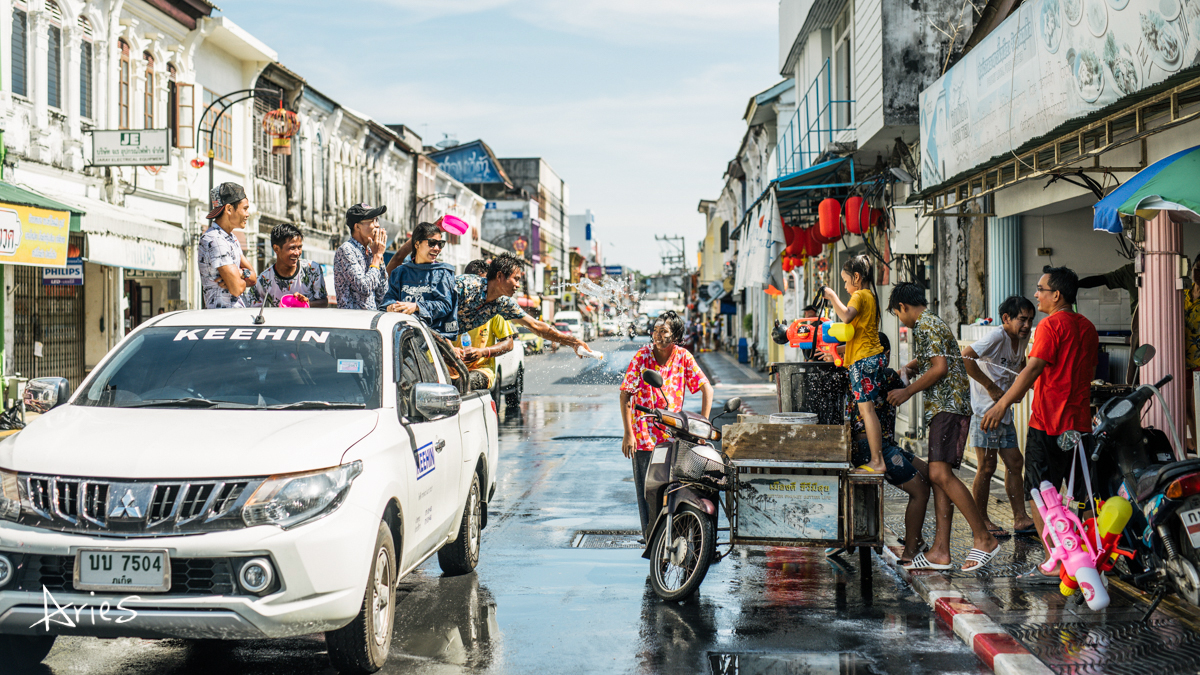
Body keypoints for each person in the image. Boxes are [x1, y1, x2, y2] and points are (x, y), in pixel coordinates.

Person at [982, 266, 1099, 582]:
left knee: (1039, 493)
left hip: (1048, 423)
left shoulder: (1050, 326)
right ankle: (1092, 560)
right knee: (1083, 497)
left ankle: (1052, 563)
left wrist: (1002, 404)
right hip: (1081, 424)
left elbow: (1032, 370)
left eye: (1040, 289)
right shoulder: (1087, 327)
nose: (1036, 294)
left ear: (1056, 295)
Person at [886, 282, 1000, 571]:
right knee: (939, 477)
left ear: (903, 307)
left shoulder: (925, 325)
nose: (901, 320)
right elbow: (936, 358)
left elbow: (940, 368)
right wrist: (912, 367)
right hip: (945, 408)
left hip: (948, 407)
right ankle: (940, 551)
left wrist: (906, 391)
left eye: (898, 314)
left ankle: (983, 537)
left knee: (938, 473)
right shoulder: (932, 322)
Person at [390, 234, 592, 353]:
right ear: (501, 276)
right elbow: (431, 314)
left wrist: (573, 342)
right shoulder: (464, 286)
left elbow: (537, 326)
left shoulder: (503, 303)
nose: (518, 285)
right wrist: (450, 348)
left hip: (435, 347)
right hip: (410, 337)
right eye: (516, 279)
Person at [619, 311, 714, 533]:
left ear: (676, 336)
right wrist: (628, 433)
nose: (658, 336)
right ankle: (650, 539)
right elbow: (625, 394)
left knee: (674, 489)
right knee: (646, 493)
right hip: (643, 439)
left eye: (664, 332)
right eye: (655, 331)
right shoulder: (642, 356)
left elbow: (706, 388)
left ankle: (673, 534)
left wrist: (703, 426)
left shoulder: (683, 357)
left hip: (673, 437)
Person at [845, 334, 931, 564]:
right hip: (875, 448)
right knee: (921, 490)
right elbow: (906, 376)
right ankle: (911, 551)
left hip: (875, 446)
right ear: (882, 355)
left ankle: (917, 538)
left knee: (929, 474)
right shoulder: (885, 375)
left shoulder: (855, 371)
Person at [962, 296, 1037, 537]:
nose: (1026, 325)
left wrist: (1025, 385)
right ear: (1006, 319)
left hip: (1003, 412)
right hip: (985, 412)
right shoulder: (997, 336)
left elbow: (1021, 363)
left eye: (1030, 320)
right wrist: (992, 388)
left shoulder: (1022, 337)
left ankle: (1020, 518)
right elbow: (967, 356)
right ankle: (981, 521)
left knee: (1015, 463)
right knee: (986, 466)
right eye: (1022, 319)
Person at [822, 255, 886, 474]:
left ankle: (877, 461)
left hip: (864, 361)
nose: (846, 287)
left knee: (867, 411)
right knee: (868, 411)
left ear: (857, 277)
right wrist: (836, 351)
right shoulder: (869, 297)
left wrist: (832, 296)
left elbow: (846, 317)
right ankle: (877, 459)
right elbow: (858, 336)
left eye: (846, 282)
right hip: (870, 357)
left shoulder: (859, 295)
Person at [382, 222, 459, 338]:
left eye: (440, 244)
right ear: (417, 244)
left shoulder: (442, 273)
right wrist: (390, 306)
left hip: (433, 339)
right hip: (403, 337)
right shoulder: (400, 273)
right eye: (432, 243)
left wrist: (417, 307)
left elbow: (445, 305)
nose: (437, 248)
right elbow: (386, 300)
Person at [457, 259, 516, 390]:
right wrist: (450, 350)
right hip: (449, 369)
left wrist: (483, 352)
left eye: (485, 283)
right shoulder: (452, 303)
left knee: (462, 384)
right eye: (476, 284)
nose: (481, 289)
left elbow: (509, 343)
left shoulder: (495, 307)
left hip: (481, 370)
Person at [198, 182, 257, 308]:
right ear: (229, 209)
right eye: (245, 208)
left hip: (234, 317)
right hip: (224, 319)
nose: (248, 214)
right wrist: (237, 279)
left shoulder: (231, 238)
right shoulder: (215, 240)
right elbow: (237, 289)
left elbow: (253, 278)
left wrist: (240, 274)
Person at [1079, 262, 1137, 383]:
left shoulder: (1131, 270)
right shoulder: (1131, 270)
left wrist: (1076, 284)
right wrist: (1077, 284)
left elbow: (1102, 279)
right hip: (1141, 328)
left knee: (1138, 376)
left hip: (1144, 330)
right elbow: (1102, 279)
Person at [248, 223, 329, 308]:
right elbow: (251, 308)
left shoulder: (312, 269)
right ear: (276, 249)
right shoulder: (264, 280)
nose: (297, 253)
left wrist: (307, 303)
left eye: (299, 247)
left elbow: (324, 302)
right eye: (292, 248)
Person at [334, 203, 388, 310]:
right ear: (357, 226)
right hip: (354, 322)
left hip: (371, 320)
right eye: (372, 221)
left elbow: (383, 294)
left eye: (377, 220)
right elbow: (364, 287)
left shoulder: (371, 251)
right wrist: (377, 257)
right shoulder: (347, 250)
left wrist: (379, 259)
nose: (377, 225)